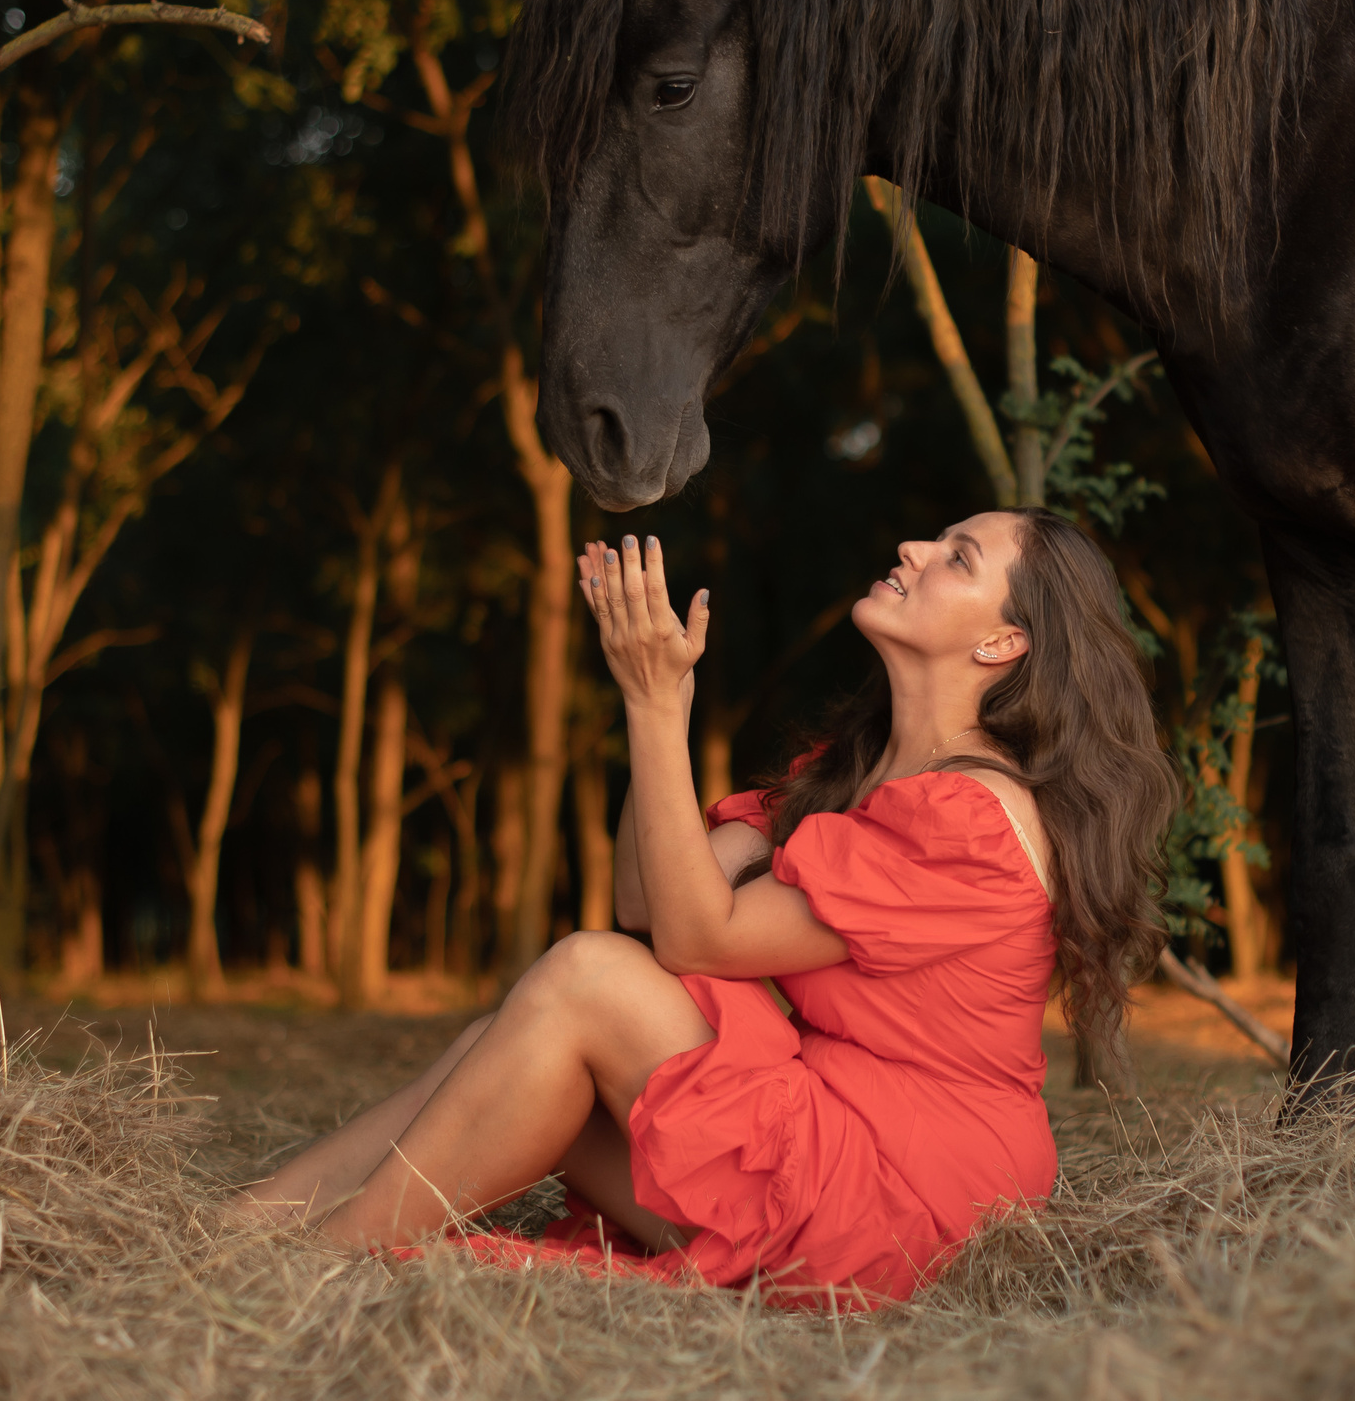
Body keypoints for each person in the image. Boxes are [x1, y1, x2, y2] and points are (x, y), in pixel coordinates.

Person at [230, 508, 1176, 1303]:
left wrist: (646, 710)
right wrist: (667, 703)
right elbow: (649, 899)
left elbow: (693, 938)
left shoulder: (972, 820)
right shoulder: (852, 776)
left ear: (1001, 642)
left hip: (897, 1209)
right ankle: (242, 1230)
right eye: (934, 539)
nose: (914, 552)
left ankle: (326, 1266)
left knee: (584, 981)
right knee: (511, 1038)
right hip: (823, 1141)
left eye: (957, 557)